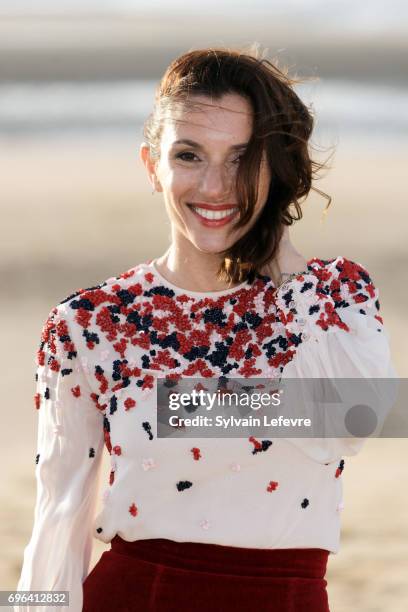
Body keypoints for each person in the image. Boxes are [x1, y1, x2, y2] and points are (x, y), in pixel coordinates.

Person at [15, 47, 396, 612]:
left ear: (278, 169)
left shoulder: (334, 295)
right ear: (152, 166)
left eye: (243, 159)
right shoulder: (90, 322)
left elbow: (354, 420)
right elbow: (58, 517)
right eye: (190, 155)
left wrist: (178, 407)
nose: (216, 186)